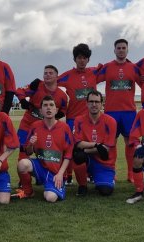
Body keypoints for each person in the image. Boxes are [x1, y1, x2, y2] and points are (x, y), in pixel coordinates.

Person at [96, 38, 141, 183]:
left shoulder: (134, 68)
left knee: (130, 143)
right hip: (111, 112)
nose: (121, 50)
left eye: (123, 48)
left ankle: (131, 173)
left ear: (127, 50)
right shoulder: (107, 67)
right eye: (119, 48)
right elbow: (93, 79)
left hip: (129, 112)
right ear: (114, 50)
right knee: (110, 143)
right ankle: (112, 172)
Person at [14, 95, 74, 202]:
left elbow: (68, 155)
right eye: (45, 105)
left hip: (56, 172)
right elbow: (28, 152)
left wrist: (60, 174)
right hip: (41, 168)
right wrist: (30, 145)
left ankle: (58, 185)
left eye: (51, 105)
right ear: (41, 111)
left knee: (50, 198)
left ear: (56, 110)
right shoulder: (35, 126)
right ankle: (28, 191)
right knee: (22, 164)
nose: (48, 108)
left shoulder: (65, 128)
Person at [58, 43, 101, 184]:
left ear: (88, 59)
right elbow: (51, 81)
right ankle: (68, 176)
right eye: (79, 58)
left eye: (84, 58)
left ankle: (90, 174)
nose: (82, 60)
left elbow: (112, 66)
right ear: (75, 59)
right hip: (72, 119)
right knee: (70, 147)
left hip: (91, 120)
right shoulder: (67, 76)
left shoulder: (94, 72)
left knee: (91, 146)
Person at [16, 65, 68, 161]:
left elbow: (63, 110)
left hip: (45, 129)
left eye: (50, 73)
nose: (47, 75)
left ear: (57, 77)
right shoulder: (36, 86)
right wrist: (23, 101)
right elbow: (19, 91)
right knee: (23, 154)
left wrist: (57, 116)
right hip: (27, 125)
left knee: (46, 156)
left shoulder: (62, 96)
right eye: (45, 73)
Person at [72, 90, 117, 196]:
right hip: (88, 160)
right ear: (86, 103)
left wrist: (85, 150)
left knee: (105, 191)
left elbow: (105, 149)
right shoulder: (79, 120)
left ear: (102, 103)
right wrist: (96, 145)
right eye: (91, 101)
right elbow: (77, 143)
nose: (94, 104)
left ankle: (104, 178)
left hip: (104, 163)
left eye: (97, 102)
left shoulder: (111, 121)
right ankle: (82, 185)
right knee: (77, 155)